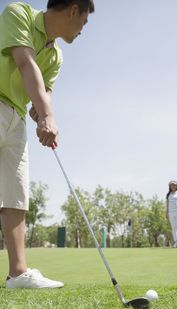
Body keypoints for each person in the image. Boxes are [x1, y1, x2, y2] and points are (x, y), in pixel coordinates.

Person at [0, 0, 95, 288]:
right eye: (84, 21)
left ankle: (17, 274)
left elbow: (45, 91)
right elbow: (25, 62)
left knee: (16, 194)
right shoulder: (19, 13)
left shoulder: (56, 57)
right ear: (73, 10)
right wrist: (48, 115)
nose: (83, 30)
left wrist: (41, 111)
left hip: (16, 116)